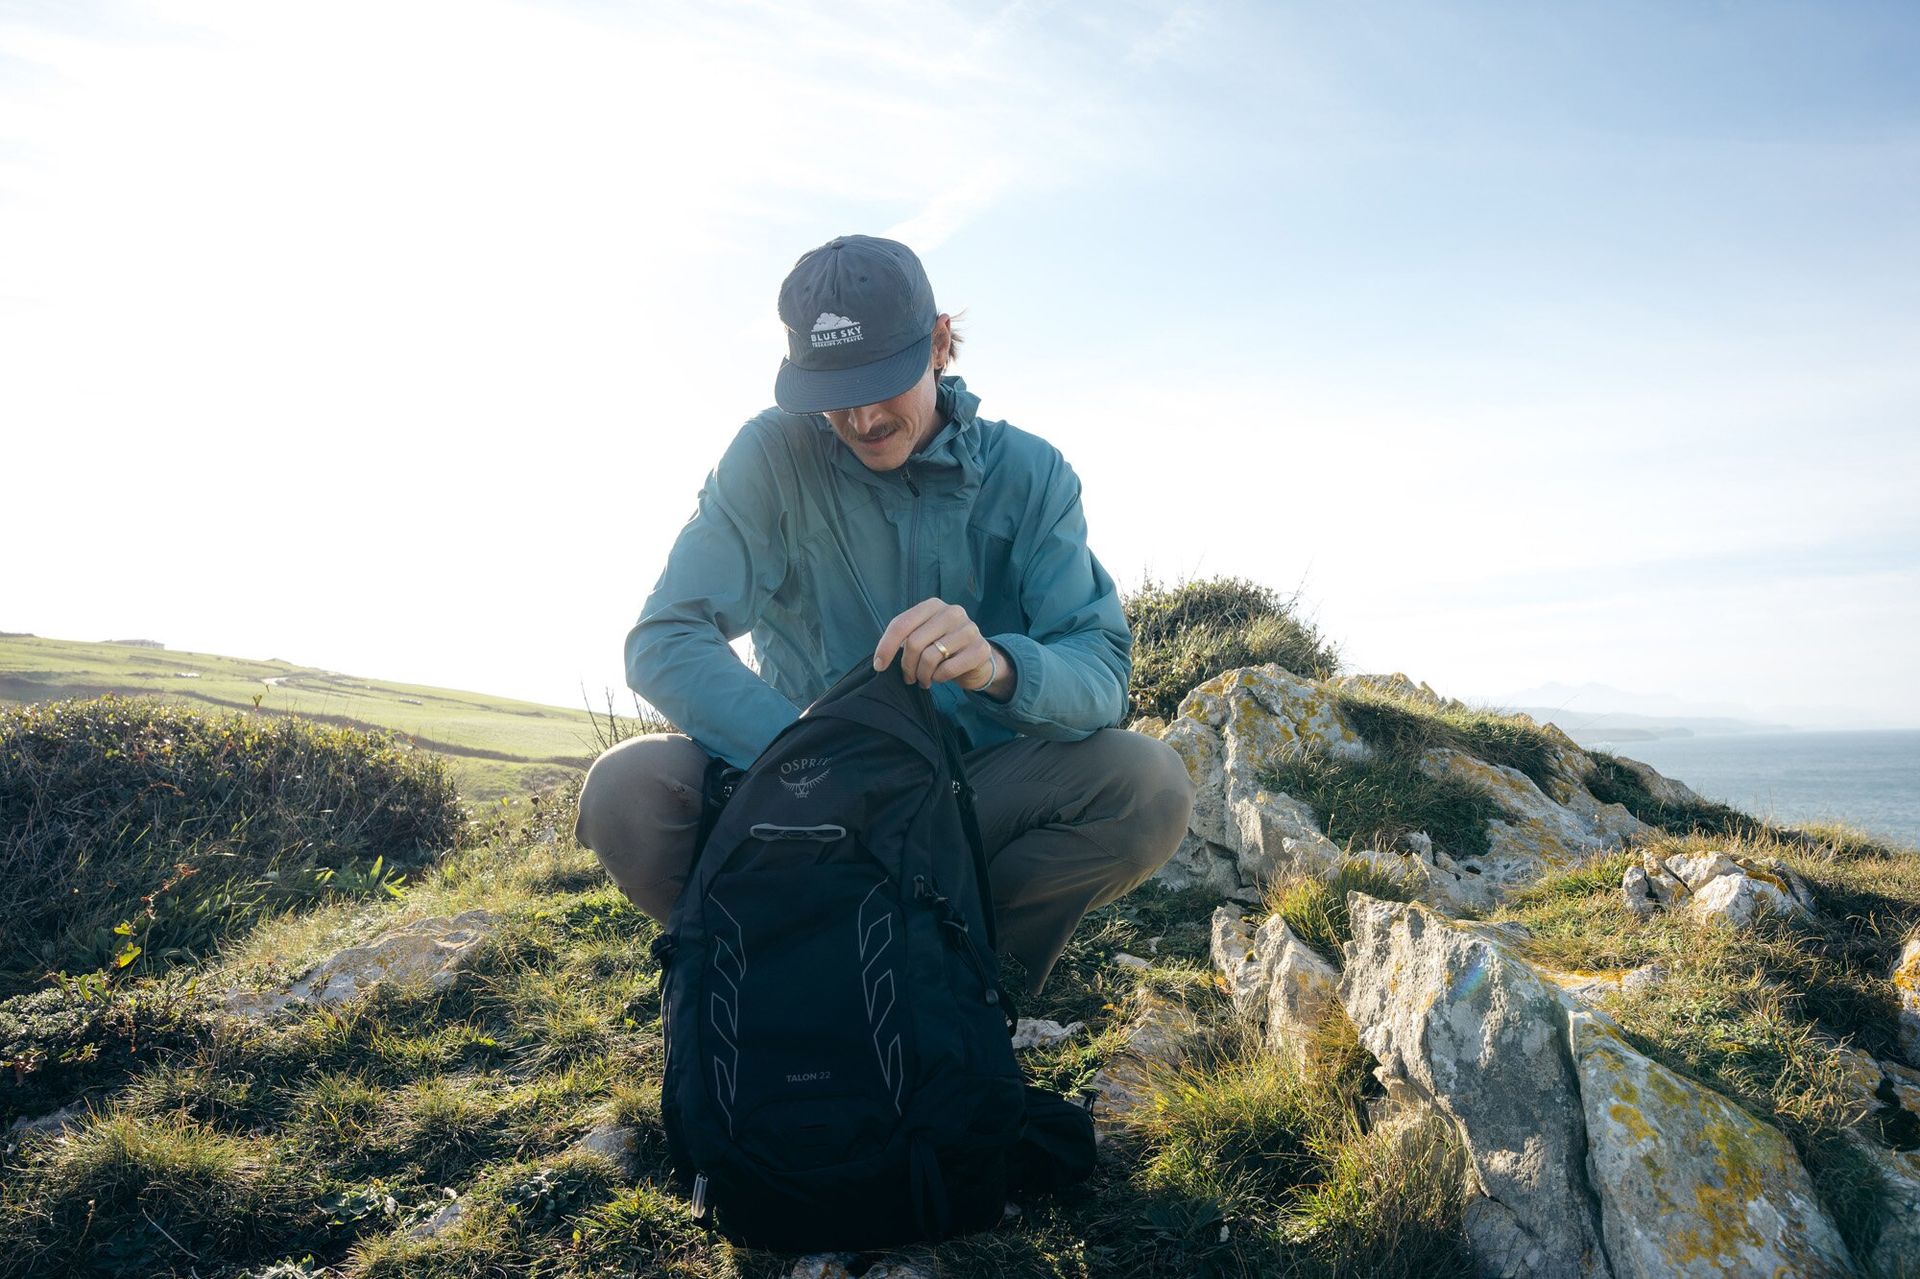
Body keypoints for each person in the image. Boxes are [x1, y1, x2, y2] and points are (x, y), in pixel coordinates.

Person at [575, 234, 1194, 997]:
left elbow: (1101, 669)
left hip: (970, 802)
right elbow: (664, 638)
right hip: (801, 798)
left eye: (882, 380)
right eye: (834, 390)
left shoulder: (1032, 475)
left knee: (1149, 785)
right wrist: (810, 757)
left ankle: (964, 982)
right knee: (625, 791)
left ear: (938, 344)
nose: (862, 416)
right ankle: (756, 971)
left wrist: (999, 666)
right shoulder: (770, 456)